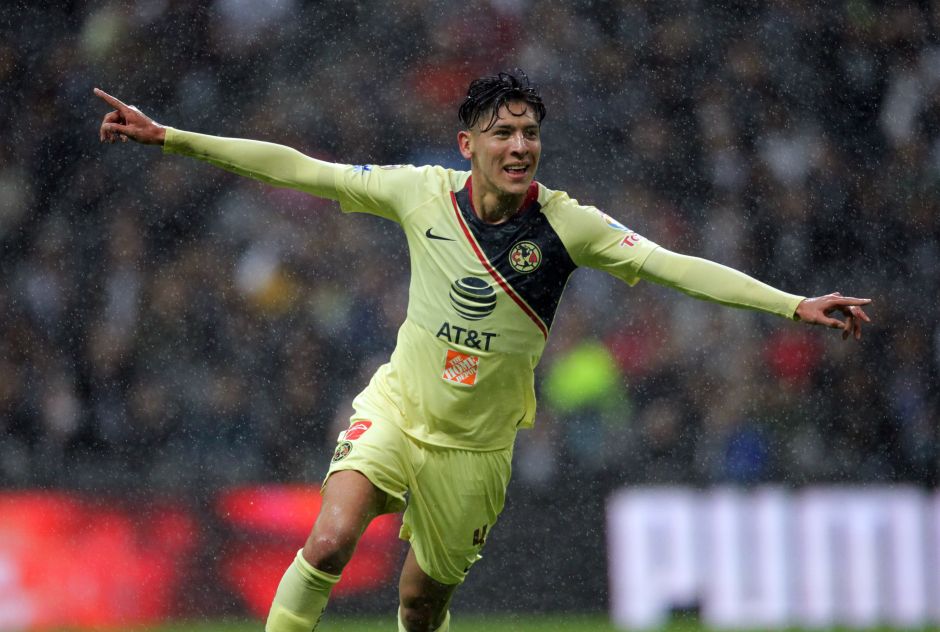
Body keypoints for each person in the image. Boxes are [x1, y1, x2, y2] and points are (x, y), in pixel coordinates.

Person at [94, 71, 871, 632]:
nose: (521, 143)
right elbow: (303, 170)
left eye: (530, 131)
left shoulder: (569, 226)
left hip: (476, 451)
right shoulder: (419, 192)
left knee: (419, 607)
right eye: (503, 131)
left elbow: (676, 267)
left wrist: (791, 304)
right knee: (329, 539)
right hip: (399, 409)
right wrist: (173, 139)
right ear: (468, 144)